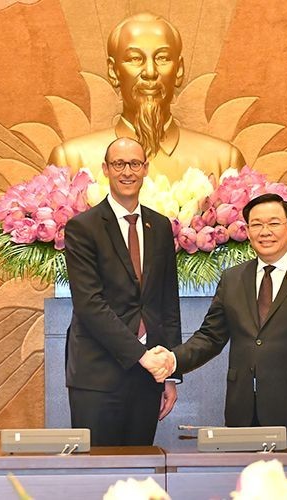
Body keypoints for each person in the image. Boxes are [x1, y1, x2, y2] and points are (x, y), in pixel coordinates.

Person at [151, 193, 287, 447]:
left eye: (274, 223)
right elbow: (210, 337)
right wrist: (173, 360)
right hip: (242, 414)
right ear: (247, 230)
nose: (265, 232)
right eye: (256, 224)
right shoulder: (233, 278)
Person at [63, 137, 181, 446]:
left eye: (134, 164)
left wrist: (169, 370)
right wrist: (142, 356)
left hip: (148, 378)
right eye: (118, 164)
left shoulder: (161, 226)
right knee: (98, 477)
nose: (127, 171)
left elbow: (168, 302)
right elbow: (90, 305)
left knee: (140, 477)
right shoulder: (82, 227)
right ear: (105, 169)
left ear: (145, 169)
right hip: (98, 377)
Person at [48, 12, 245, 183]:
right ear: (113, 71)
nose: (150, 72)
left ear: (179, 70)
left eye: (162, 58)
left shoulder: (223, 162)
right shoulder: (72, 162)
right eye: (135, 59)